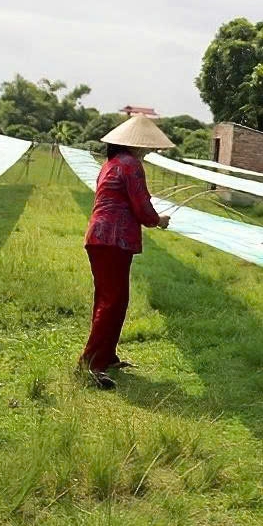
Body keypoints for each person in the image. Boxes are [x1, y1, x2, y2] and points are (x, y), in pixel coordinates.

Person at [79, 115, 173, 389]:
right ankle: (90, 364)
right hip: (113, 240)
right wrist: (158, 220)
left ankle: (105, 356)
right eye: (146, 147)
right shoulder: (131, 165)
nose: (148, 150)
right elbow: (142, 207)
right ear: (137, 146)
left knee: (113, 300)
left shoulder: (110, 164)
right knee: (112, 302)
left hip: (101, 238)